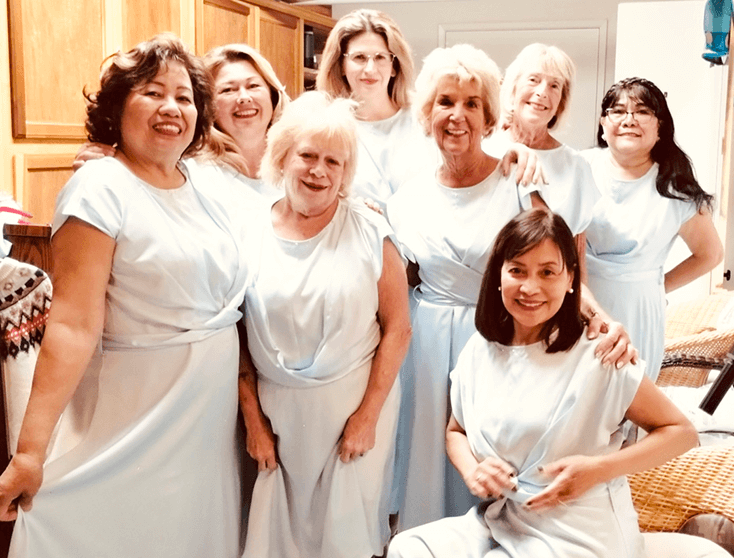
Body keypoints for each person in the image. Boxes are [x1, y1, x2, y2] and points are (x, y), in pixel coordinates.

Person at [0, 34, 253, 557]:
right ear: (118, 107)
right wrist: (29, 452)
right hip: (138, 410)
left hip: (206, 422)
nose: (171, 108)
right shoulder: (100, 189)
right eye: (153, 92)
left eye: (185, 97)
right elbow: (71, 325)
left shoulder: (203, 183)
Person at [387, 44, 635, 532]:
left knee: (495, 458)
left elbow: (556, 269)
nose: (457, 116)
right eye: (445, 102)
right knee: (427, 454)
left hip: (500, 337)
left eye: (472, 104)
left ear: (488, 118)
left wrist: (602, 321)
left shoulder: (517, 181)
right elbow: (402, 283)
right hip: (429, 342)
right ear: (426, 113)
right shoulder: (407, 199)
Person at [387, 207, 711, 558]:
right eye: (517, 270)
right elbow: (456, 431)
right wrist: (473, 470)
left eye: (547, 272)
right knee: (408, 547)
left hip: (581, 532)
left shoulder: (600, 355)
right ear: (499, 275)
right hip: (505, 520)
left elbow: (682, 432)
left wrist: (597, 470)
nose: (530, 287)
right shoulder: (481, 350)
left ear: (571, 279)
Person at [239, 91, 412, 558]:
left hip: (354, 414)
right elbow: (234, 332)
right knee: (277, 536)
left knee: (346, 536)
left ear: (345, 171)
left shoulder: (372, 231)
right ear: (283, 158)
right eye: (308, 156)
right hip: (277, 417)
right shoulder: (248, 229)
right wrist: (254, 422)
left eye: (333, 161)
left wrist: (368, 416)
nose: (319, 170)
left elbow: (398, 329)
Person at [317, 10, 541, 211]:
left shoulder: (427, 114)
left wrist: (515, 151)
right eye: (359, 58)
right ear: (341, 65)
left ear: (395, 66)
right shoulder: (327, 127)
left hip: (427, 250)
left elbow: (476, 147)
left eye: (380, 57)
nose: (370, 69)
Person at [584, 77, 723, 381]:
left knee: (628, 402)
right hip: (579, 303)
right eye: (618, 111)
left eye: (642, 111)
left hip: (639, 309)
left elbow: (710, 255)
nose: (629, 120)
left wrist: (660, 287)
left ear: (660, 127)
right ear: (603, 125)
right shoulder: (579, 168)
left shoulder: (675, 188)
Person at [74, 43, 289, 203]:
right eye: (228, 90)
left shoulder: (298, 166)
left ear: (273, 96)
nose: (243, 98)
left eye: (253, 86)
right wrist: (107, 164)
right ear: (207, 108)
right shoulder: (188, 171)